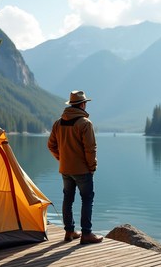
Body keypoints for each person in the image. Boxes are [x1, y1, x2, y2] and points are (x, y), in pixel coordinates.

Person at [48, 90, 103, 244]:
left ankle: (69, 232)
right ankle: (86, 234)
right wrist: (92, 167)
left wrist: (62, 159)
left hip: (65, 169)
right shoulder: (85, 123)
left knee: (68, 199)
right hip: (82, 170)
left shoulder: (58, 123)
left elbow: (51, 145)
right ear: (83, 104)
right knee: (87, 199)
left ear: (71, 104)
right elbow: (90, 149)